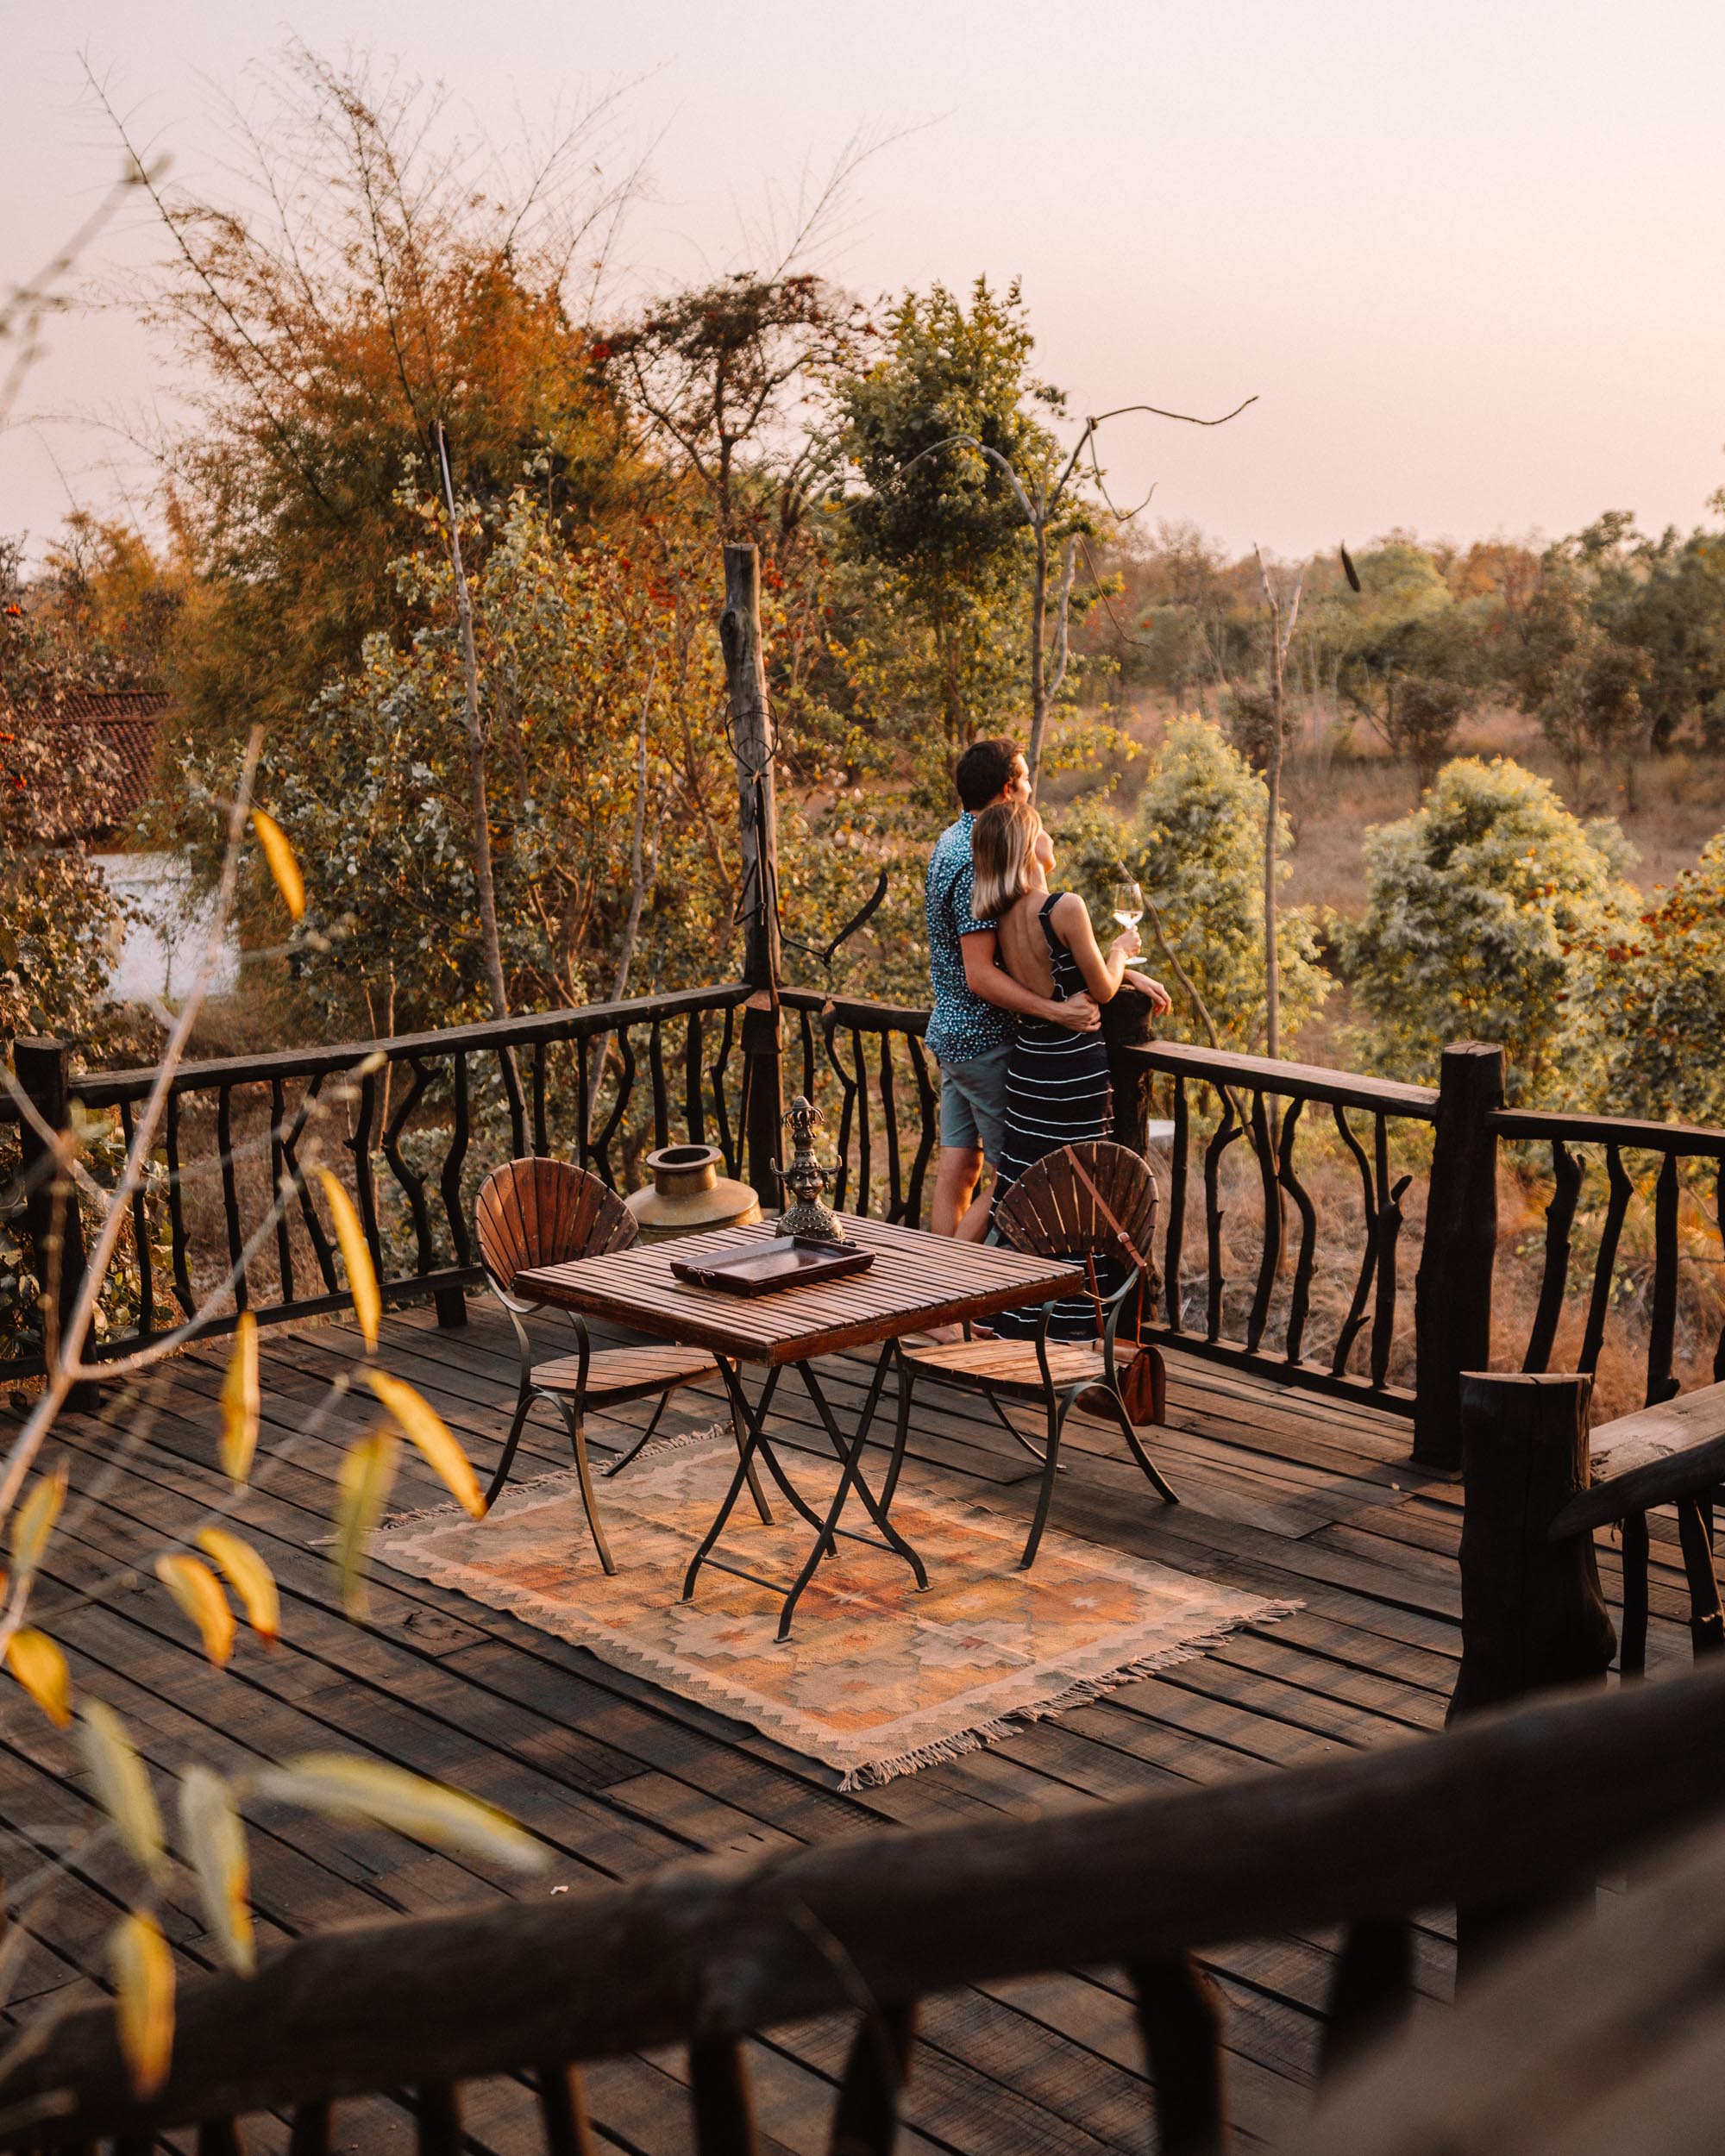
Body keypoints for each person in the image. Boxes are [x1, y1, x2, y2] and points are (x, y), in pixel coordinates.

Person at [970, 796, 1171, 1336]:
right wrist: (1123, 954)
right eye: (1043, 830)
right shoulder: (1065, 906)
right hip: (1074, 1071)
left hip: (1029, 1069)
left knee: (1026, 1191)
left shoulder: (1001, 914)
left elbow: (1052, 974)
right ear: (1027, 844)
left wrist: (1118, 969)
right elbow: (1099, 989)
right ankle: (1074, 1323)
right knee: (1081, 1194)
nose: (1051, 839)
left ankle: (1015, 1313)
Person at [924, 737, 1100, 1241]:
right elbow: (982, 971)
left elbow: (1031, 946)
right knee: (1014, 1176)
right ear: (1009, 789)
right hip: (984, 1036)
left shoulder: (950, 841)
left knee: (959, 1172)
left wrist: (1121, 972)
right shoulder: (983, 854)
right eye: (1026, 780)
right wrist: (1056, 1011)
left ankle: (938, 1304)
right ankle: (959, 1298)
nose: (1031, 789)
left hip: (953, 1033)